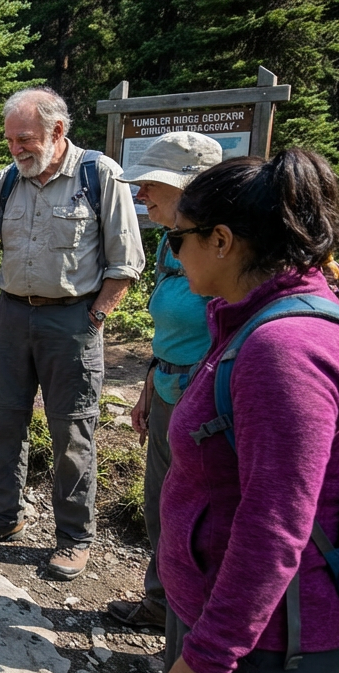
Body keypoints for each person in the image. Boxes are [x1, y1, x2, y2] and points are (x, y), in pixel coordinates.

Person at [157, 148, 339, 673]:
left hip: (261, 643)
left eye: (178, 238)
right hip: (223, 612)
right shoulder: (251, 321)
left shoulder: (284, 351)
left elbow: (276, 527)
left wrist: (213, 654)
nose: (171, 255)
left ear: (221, 241)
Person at [0, 86, 144, 579]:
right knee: (3, 420)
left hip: (72, 322)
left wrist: (96, 317)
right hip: (11, 317)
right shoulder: (6, 181)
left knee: (72, 431)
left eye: (24, 139)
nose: (16, 149)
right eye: (10, 140)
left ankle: (74, 538)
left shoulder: (98, 174)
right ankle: (4, 517)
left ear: (57, 131)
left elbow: (126, 261)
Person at [106, 132, 223, 630]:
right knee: (161, 506)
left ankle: (194, 632)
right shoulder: (168, 244)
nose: (141, 194)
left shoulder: (223, 246)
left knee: (199, 521)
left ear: (189, 187)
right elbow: (169, 326)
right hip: (168, 389)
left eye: (152, 184)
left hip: (207, 399)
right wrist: (150, 383)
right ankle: (161, 606)